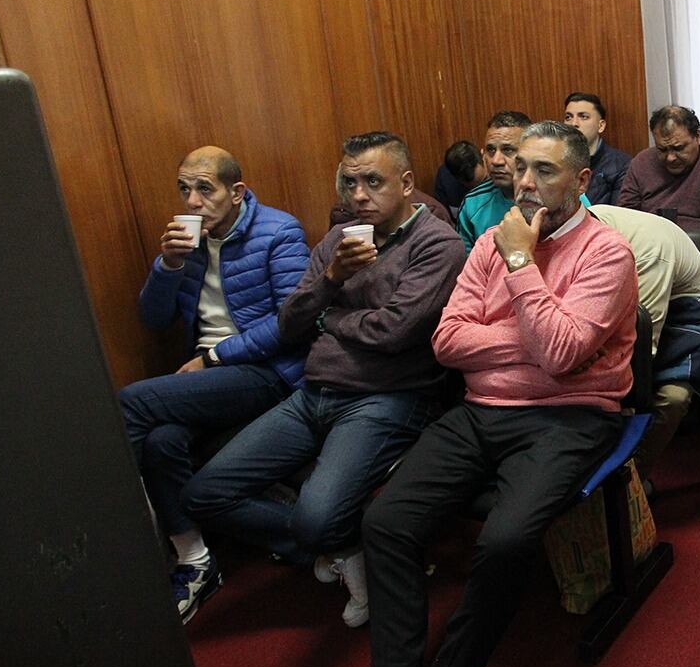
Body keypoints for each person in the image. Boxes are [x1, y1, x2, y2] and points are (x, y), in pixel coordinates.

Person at [324, 122, 638, 667]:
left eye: (544, 170)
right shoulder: (491, 241)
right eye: (520, 167)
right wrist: (534, 338)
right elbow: (447, 341)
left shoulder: (606, 252)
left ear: (582, 180)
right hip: (482, 408)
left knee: (506, 538)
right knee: (386, 522)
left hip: (571, 416)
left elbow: (562, 354)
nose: (524, 182)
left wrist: (522, 267)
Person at [181, 132, 464, 626]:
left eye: (373, 182)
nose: (359, 195)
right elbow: (291, 323)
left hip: (386, 396)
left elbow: (392, 332)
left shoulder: (437, 243)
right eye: (349, 183)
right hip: (314, 392)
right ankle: (349, 543)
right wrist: (332, 278)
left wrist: (328, 317)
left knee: (315, 520)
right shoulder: (339, 240)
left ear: (406, 183)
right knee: (204, 494)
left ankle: (335, 535)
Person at [118, 145, 310, 622]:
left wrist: (215, 356)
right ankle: (194, 559)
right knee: (162, 442)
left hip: (265, 372)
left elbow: (292, 324)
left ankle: (122, 537)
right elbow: (153, 318)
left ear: (236, 192)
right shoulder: (190, 242)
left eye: (205, 188)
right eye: (184, 189)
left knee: (130, 403)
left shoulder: (278, 231)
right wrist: (168, 266)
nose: (193, 201)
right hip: (209, 375)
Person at [589, 204, 700, 481]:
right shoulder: (585, 223)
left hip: (698, 314)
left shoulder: (649, 250)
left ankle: (629, 483)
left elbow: (641, 351)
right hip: (645, 313)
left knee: (671, 397)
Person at [619, 105, 700, 231]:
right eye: (662, 149)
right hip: (649, 238)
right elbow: (623, 218)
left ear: (698, 136)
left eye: (678, 148)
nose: (670, 158)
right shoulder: (641, 162)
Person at [456, 111, 530, 252]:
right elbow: (466, 263)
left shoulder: (553, 196)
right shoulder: (473, 204)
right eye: (491, 150)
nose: (496, 161)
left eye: (508, 150)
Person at [564, 91, 631, 205]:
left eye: (583, 117)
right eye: (568, 117)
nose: (574, 123)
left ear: (601, 126)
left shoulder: (621, 165)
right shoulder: (556, 161)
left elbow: (618, 212)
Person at [432, 139, 486, 216]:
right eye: (471, 187)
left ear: (483, 157)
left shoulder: (496, 173)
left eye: (483, 181)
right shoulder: (445, 179)